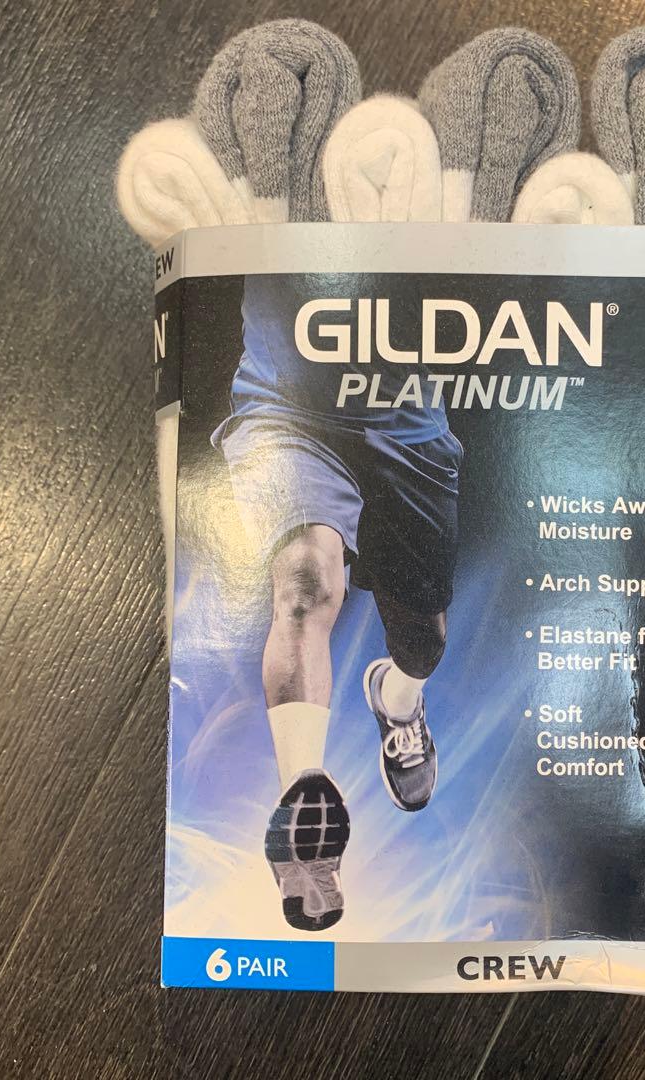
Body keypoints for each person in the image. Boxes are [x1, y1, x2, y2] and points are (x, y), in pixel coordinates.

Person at [212, 275, 463, 931]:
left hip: (408, 426)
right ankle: (303, 804)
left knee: (424, 644)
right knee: (304, 581)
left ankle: (398, 698)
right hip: (288, 412)